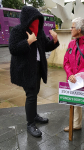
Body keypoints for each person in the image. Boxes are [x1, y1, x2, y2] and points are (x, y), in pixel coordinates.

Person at [9, 6, 59, 138]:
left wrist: (54, 41)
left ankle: (34, 115)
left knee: (35, 92)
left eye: (38, 19)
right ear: (27, 19)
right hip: (25, 69)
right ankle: (30, 124)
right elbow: (13, 49)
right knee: (31, 95)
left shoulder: (39, 32)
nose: (36, 21)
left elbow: (46, 47)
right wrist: (28, 42)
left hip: (37, 67)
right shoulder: (18, 30)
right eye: (34, 19)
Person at [63, 17, 84, 140]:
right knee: (75, 102)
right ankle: (76, 124)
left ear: (78, 29)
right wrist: (70, 75)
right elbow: (66, 61)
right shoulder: (72, 43)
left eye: (72, 27)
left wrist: (77, 76)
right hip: (73, 80)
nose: (70, 29)